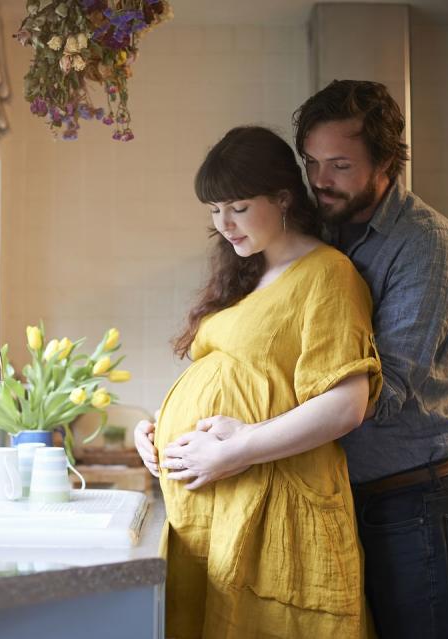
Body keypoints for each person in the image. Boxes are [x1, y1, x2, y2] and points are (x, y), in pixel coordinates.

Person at [139, 80, 448, 639]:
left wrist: (238, 441)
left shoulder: (423, 244)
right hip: (343, 491)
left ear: (386, 160)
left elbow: (377, 392)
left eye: (340, 165)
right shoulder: (322, 237)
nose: (321, 180)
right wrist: (178, 431)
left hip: (412, 499)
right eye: (312, 162)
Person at [144, 125, 382, 638]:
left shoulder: (327, 274)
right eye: (214, 210)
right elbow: (235, 375)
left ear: (282, 197)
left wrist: (238, 449)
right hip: (216, 514)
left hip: (277, 511)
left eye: (238, 207)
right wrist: (159, 427)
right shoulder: (248, 275)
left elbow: (346, 405)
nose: (224, 224)